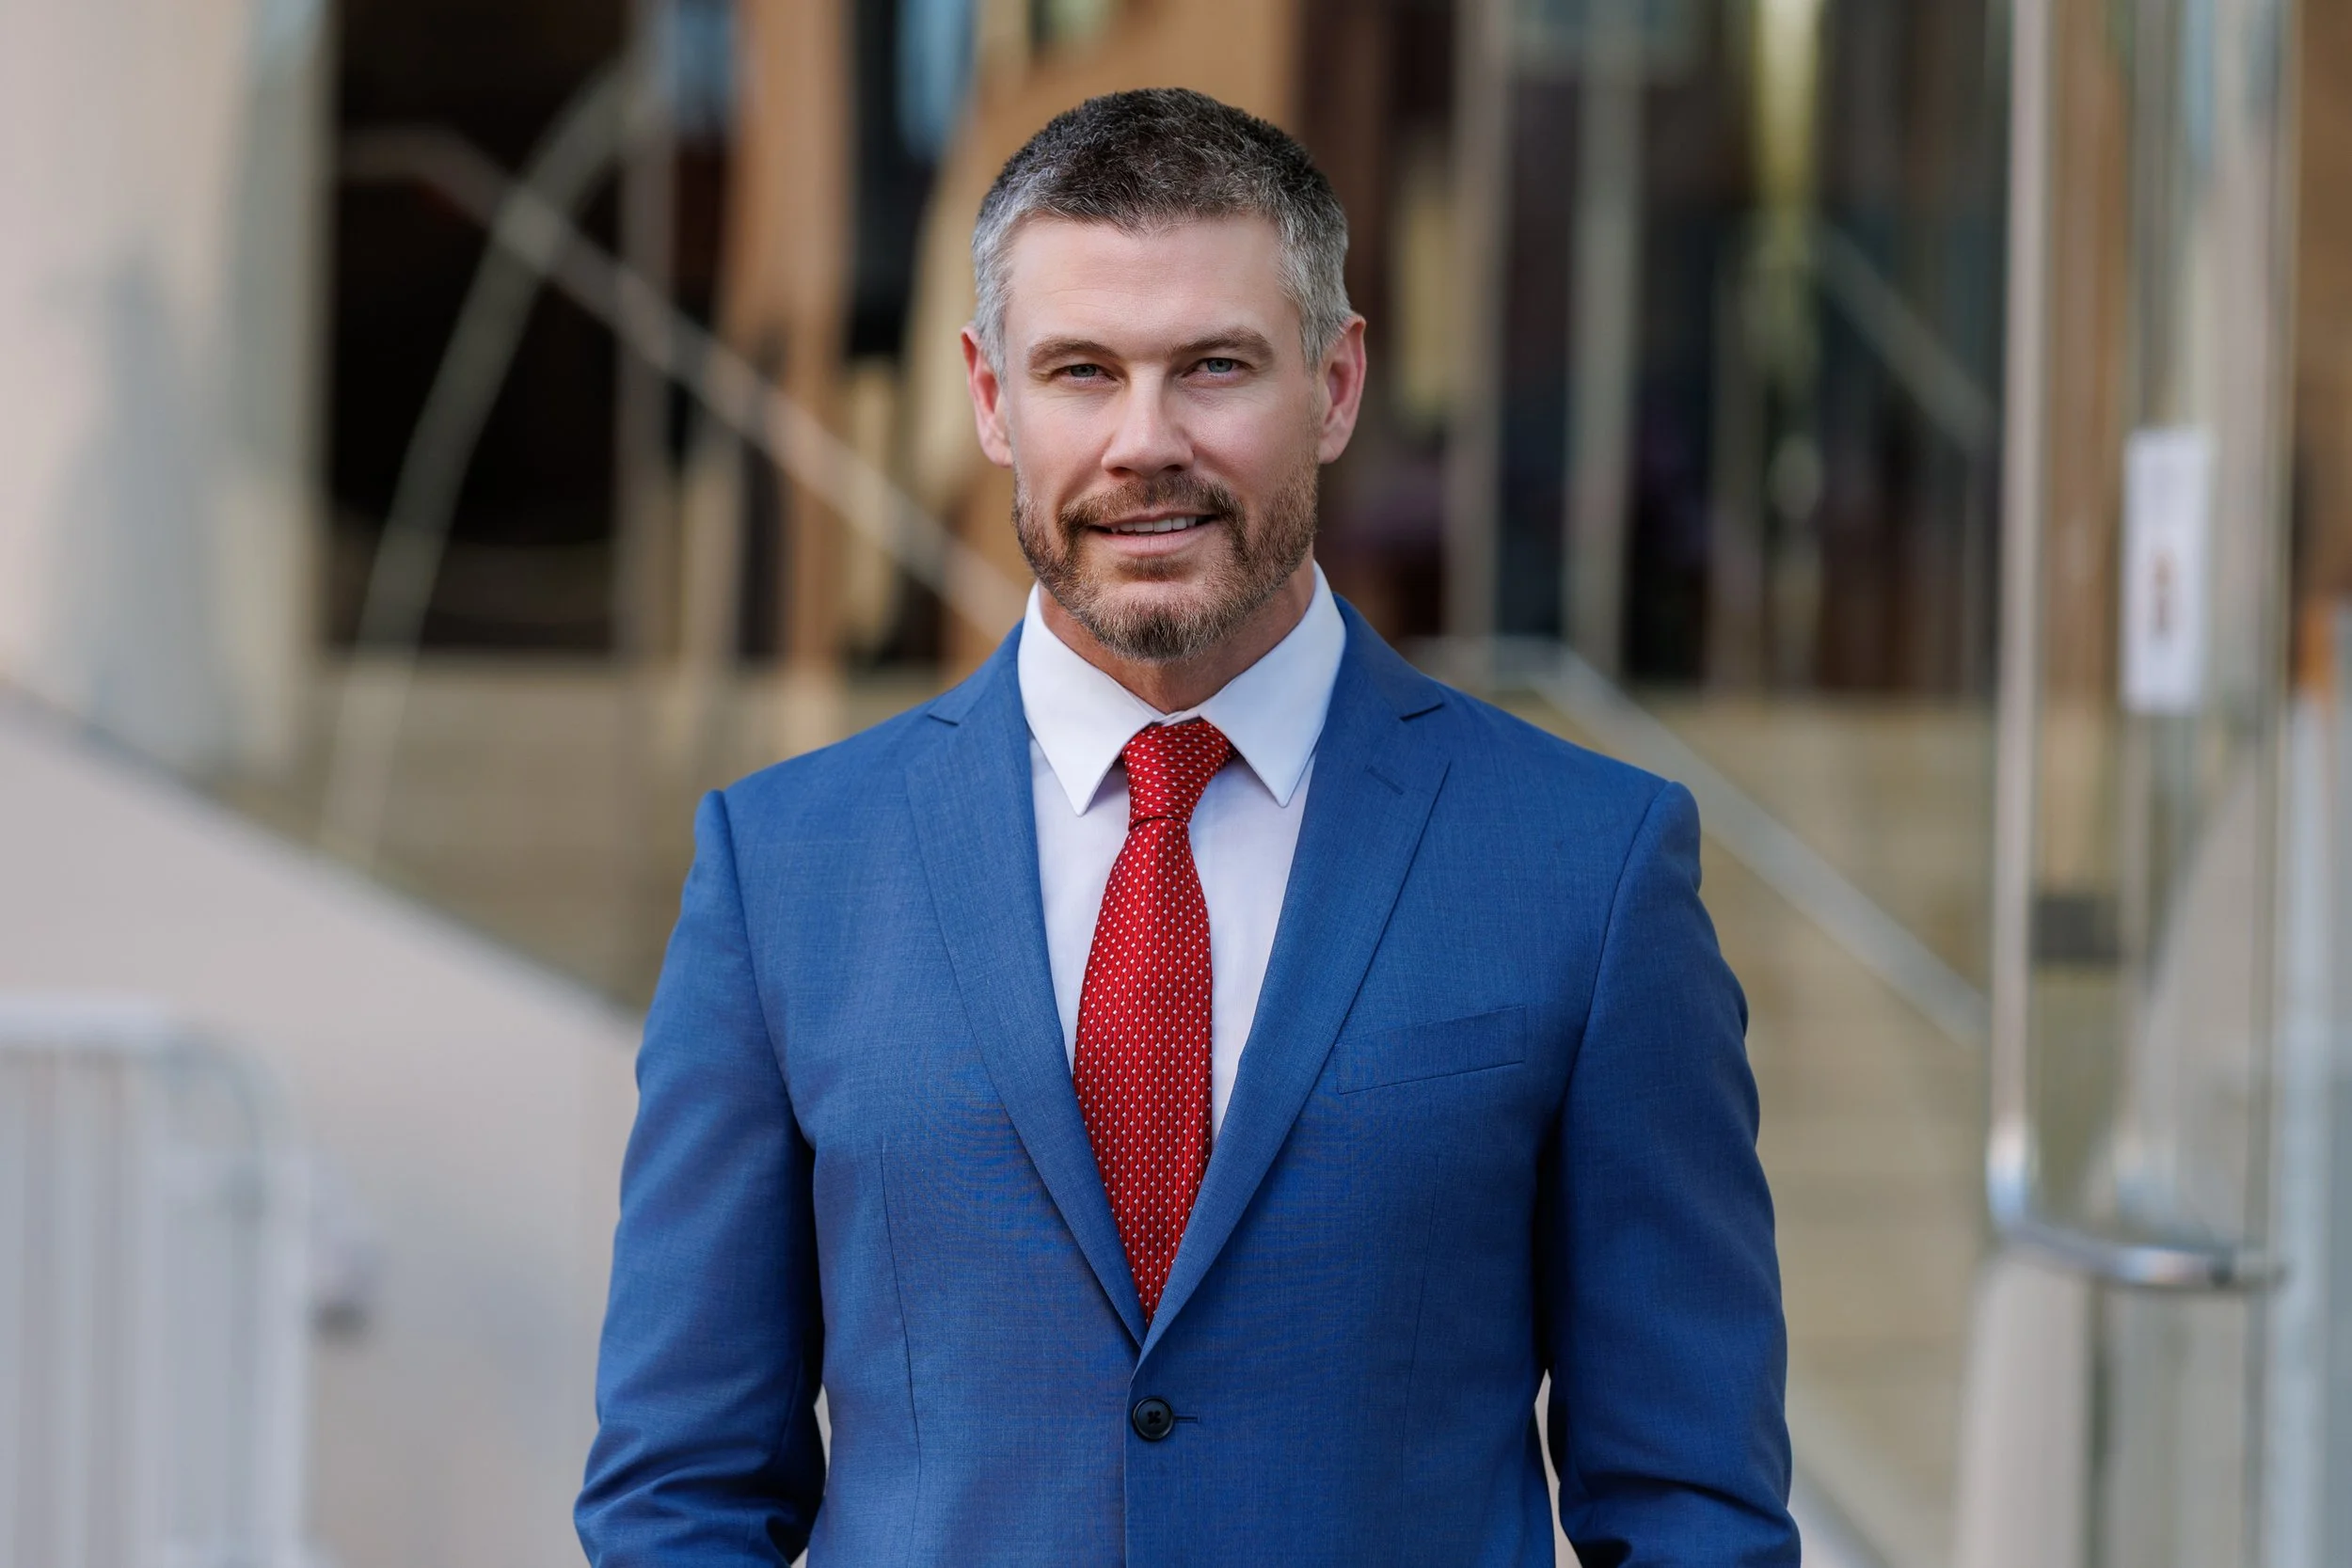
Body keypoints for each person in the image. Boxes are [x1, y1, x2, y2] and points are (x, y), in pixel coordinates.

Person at [577, 87, 1795, 1566]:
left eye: (1214, 367)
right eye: (1080, 371)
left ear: (1338, 385)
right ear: (986, 398)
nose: (1144, 442)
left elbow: (1689, 1507)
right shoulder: (784, 872)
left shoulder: (1590, 872)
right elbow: (679, 1492)